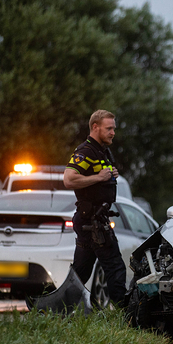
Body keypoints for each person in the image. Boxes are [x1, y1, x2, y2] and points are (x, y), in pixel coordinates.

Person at [63, 109, 128, 307]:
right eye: (109, 128)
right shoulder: (86, 151)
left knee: (81, 272)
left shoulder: (102, 150)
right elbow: (68, 178)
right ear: (95, 127)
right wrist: (99, 177)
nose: (112, 132)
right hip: (92, 221)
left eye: (113, 129)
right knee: (115, 266)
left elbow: (100, 174)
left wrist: (109, 174)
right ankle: (123, 314)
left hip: (93, 220)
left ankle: (59, 309)